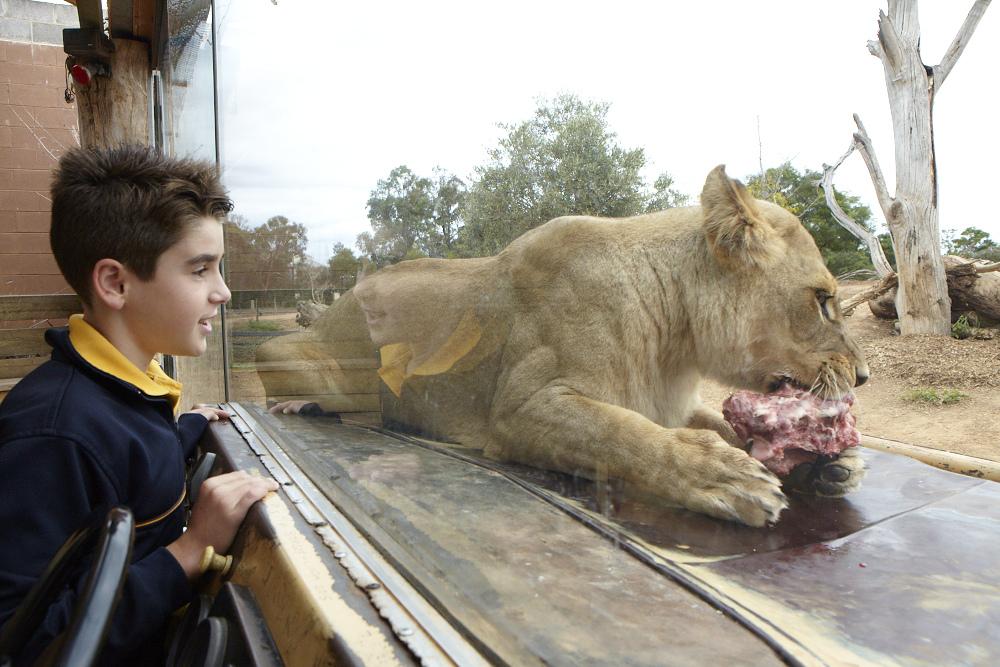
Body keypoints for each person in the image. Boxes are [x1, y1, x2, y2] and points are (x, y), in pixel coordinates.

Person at [0, 145, 278, 665]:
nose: (224, 292)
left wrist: (188, 426)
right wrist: (190, 552)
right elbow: (27, 645)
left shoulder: (123, 391)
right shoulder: (53, 434)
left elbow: (122, 467)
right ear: (115, 283)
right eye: (201, 269)